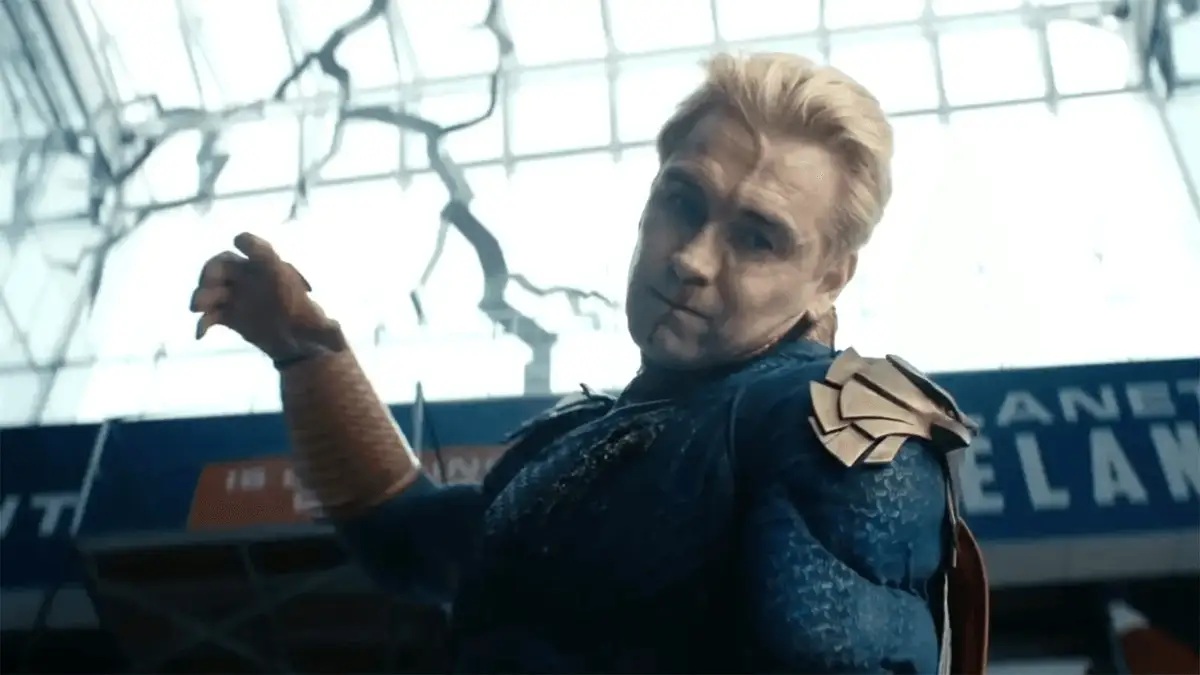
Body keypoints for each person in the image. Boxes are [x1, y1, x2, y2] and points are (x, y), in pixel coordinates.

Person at [190, 52, 989, 673]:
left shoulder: (830, 425)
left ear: (829, 278)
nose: (691, 259)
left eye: (757, 237)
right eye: (682, 202)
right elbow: (406, 539)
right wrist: (309, 353)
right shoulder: (581, 441)